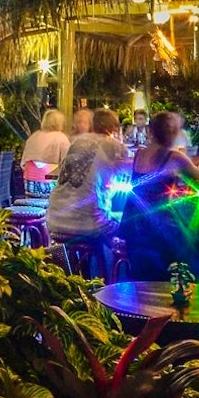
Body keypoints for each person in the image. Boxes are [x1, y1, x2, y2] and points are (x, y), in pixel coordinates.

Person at [122, 112, 199, 280]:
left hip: (134, 226)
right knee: (195, 248)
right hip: (160, 228)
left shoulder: (140, 154)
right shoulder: (175, 157)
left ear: (151, 132)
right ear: (173, 133)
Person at [46, 109, 129, 276]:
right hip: (88, 223)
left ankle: (80, 274)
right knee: (126, 227)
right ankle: (109, 282)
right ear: (114, 128)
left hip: (54, 217)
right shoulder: (113, 144)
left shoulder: (77, 141)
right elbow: (130, 165)